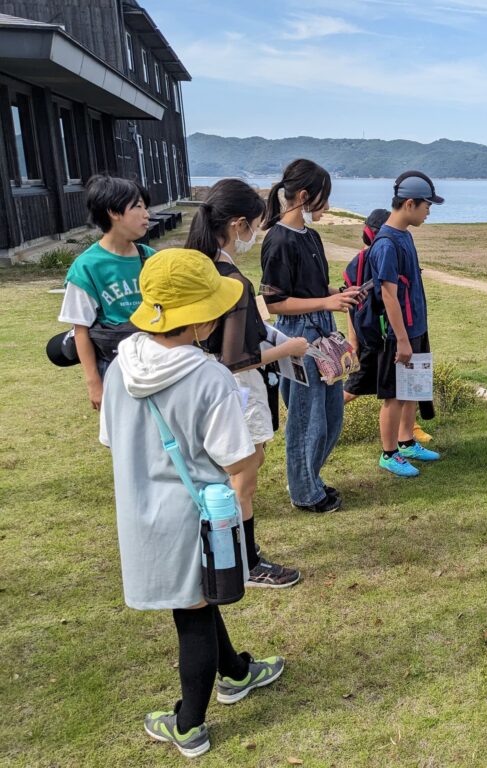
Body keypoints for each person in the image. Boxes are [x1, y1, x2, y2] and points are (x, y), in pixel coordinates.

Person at [100, 248, 284, 758]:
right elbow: (237, 462)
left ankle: (239, 672)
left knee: (194, 599)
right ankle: (189, 725)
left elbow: (113, 439)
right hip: (197, 516)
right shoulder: (209, 378)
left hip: (141, 512)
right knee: (194, 615)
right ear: (201, 318)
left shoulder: (120, 367)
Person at [185, 178, 308, 588]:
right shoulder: (231, 279)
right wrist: (288, 347)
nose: (254, 234)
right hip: (237, 389)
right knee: (244, 477)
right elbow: (236, 358)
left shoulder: (195, 265)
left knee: (220, 475)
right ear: (237, 223)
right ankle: (245, 562)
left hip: (201, 384)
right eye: (254, 225)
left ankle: (224, 555)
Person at [259, 160, 361, 512]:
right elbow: (275, 301)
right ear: (304, 196)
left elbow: (310, 288)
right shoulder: (278, 239)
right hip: (297, 337)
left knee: (331, 415)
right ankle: (304, 492)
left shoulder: (310, 235)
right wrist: (328, 301)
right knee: (306, 418)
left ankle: (310, 478)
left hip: (322, 330)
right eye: (324, 197)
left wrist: (340, 294)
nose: (328, 205)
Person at [370, 171, 444, 477]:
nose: (429, 211)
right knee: (394, 394)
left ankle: (407, 440)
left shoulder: (405, 236)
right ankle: (389, 453)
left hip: (416, 328)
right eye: (427, 205)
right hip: (398, 335)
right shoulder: (386, 243)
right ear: (409, 204)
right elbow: (388, 295)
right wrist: (401, 339)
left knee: (413, 388)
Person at [58, 174, 154, 409]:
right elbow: (80, 329)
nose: (146, 214)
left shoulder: (150, 258)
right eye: (138, 207)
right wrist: (94, 384)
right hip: (112, 365)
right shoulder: (87, 267)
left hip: (153, 361)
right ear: (114, 212)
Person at [342, 208, 435, 444]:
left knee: (408, 386)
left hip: (405, 330)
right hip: (381, 336)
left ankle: (407, 435)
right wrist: (354, 343)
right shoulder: (376, 255)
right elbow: (356, 304)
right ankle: (322, 415)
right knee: (362, 388)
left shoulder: (397, 244)